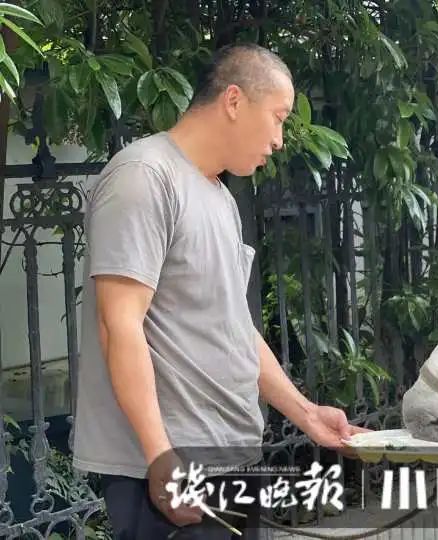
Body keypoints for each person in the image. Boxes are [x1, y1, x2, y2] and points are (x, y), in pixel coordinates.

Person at [71, 43, 368, 539]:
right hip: (170, 467)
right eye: (278, 118)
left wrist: (306, 413)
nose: (279, 140)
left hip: (229, 455)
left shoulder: (220, 198)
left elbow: (235, 328)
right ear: (233, 101)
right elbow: (118, 323)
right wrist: (160, 456)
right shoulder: (144, 177)